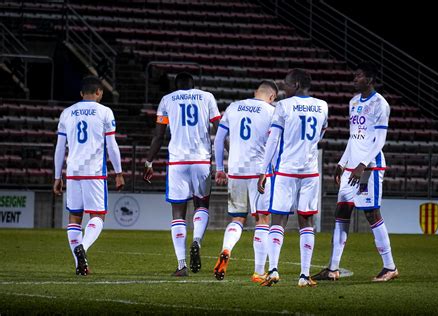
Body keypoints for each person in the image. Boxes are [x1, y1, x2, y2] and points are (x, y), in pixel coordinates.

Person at [311, 61, 398, 282]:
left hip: (370, 167)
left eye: (358, 76)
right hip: (352, 167)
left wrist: (363, 164)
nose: (354, 79)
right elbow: (354, 137)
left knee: (372, 214)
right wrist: (343, 162)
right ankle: (332, 268)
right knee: (341, 214)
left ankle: (390, 267)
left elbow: (379, 140)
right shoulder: (353, 102)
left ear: (369, 79)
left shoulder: (380, 104)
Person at [143, 72, 220, 276]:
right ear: (194, 85)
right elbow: (219, 128)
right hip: (201, 159)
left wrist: (149, 161)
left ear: (176, 86)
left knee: (178, 213)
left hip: (177, 161)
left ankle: (181, 264)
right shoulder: (207, 97)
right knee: (201, 205)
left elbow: (159, 136)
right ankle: (196, 241)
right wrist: (223, 157)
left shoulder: (167, 100)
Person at [257, 69, 328, 287]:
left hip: (286, 170)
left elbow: (273, 140)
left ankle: (274, 270)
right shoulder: (323, 106)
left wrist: (263, 170)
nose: (283, 89)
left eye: (286, 85)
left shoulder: (284, 106)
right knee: (306, 221)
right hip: (310, 171)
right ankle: (304, 275)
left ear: (296, 84)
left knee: (278, 220)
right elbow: (321, 134)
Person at [53, 75, 125, 276]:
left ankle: (80, 264)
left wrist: (57, 177)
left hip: (73, 171)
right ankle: (82, 247)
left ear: (81, 94)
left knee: (75, 217)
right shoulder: (104, 112)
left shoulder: (67, 113)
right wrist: (118, 173)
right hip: (94, 172)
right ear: (99, 92)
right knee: (98, 216)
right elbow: (111, 145)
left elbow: (60, 148)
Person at [213, 80, 278, 282]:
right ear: (272, 97)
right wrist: (271, 169)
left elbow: (217, 140)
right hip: (259, 172)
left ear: (254, 92)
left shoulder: (233, 108)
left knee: (237, 219)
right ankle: (258, 271)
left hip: (235, 170)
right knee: (263, 219)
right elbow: (273, 143)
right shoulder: (270, 111)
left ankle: (226, 248)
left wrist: (220, 169)